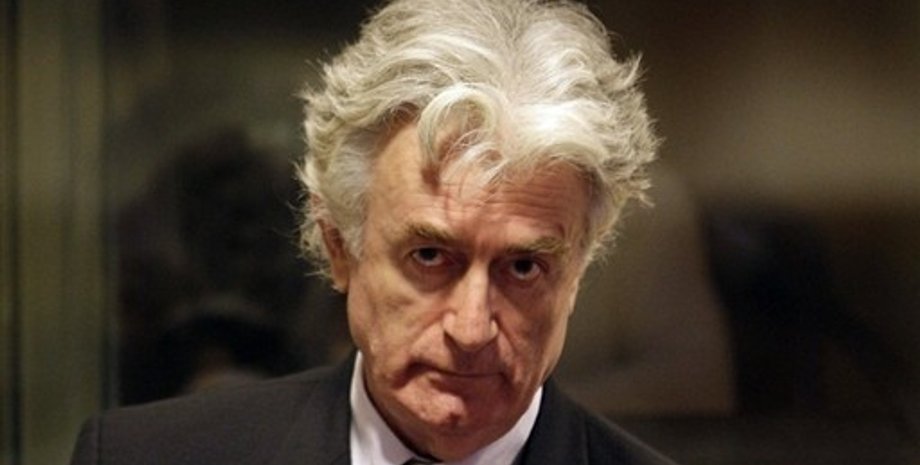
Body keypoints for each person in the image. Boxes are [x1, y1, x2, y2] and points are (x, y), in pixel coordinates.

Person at [70, 0, 674, 463]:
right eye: (430, 255)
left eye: (522, 267)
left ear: (577, 274)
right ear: (339, 246)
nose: (471, 329)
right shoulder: (144, 457)